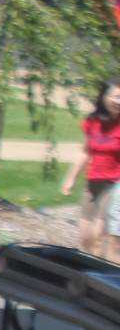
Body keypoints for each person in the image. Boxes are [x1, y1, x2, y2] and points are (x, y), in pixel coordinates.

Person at [63, 78, 120, 259]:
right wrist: (70, 180)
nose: (118, 101)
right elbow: (84, 152)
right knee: (85, 237)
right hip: (92, 182)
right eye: (115, 96)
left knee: (98, 236)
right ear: (105, 97)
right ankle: (93, 268)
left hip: (114, 185)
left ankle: (101, 276)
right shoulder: (93, 121)